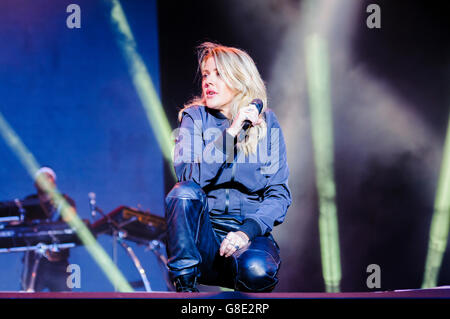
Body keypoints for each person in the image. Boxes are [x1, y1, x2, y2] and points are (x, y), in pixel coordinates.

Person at [165, 42, 292, 292]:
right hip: (204, 237)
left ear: (240, 79)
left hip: (247, 234)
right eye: (205, 74)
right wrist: (232, 132)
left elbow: (279, 193)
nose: (208, 81)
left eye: (218, 74)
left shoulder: (268, 123)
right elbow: (188, 177)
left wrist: (247, 231)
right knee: (183, 192)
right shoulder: (194, 118)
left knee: (258, 271)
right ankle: (185, 290)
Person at [20, 166, 76, 292]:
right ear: (36, 184)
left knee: (65, 294)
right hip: (34, 260)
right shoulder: (29, 202)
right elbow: (18, 223)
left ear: (54, 182)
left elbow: (70, 222)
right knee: (28, 292)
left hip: (59, 262)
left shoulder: (65, 200)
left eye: (48, 177)